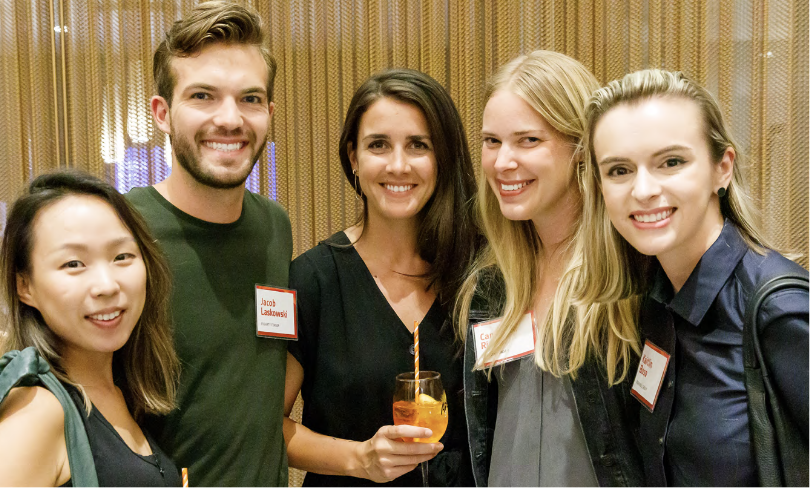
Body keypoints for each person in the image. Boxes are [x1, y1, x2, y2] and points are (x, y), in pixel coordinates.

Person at [578, 68, 810, 486]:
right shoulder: (650, 301)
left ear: (722, 168)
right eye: (619, 170)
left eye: (671, 162)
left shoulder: (779, 309)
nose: (643, 190)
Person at [455, 50, 644, 488]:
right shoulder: (491, 287)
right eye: (491, 141)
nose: (502, 162)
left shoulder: (626, 279)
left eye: (528, 140)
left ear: (581, 147)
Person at [282, 68, 479, 487]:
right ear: (354, 158)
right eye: (378, 145)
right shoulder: (310, 281)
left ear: (442, 157)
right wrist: (358, 459)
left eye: (418, 145)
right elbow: (265, 427)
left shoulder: (481, 275)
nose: (398, 164)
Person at [126, 2, 292, 486]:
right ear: (162, 113)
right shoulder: (124, 232)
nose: (230, 119)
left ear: (268, 113)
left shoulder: (274, 227)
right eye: (203, 96)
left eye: (250, 99)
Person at [0, 170, 181, 487]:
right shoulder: (37, 411)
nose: (106, 285)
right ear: (24, 285)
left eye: (122, 256)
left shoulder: (125, 393)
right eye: (73, 264)